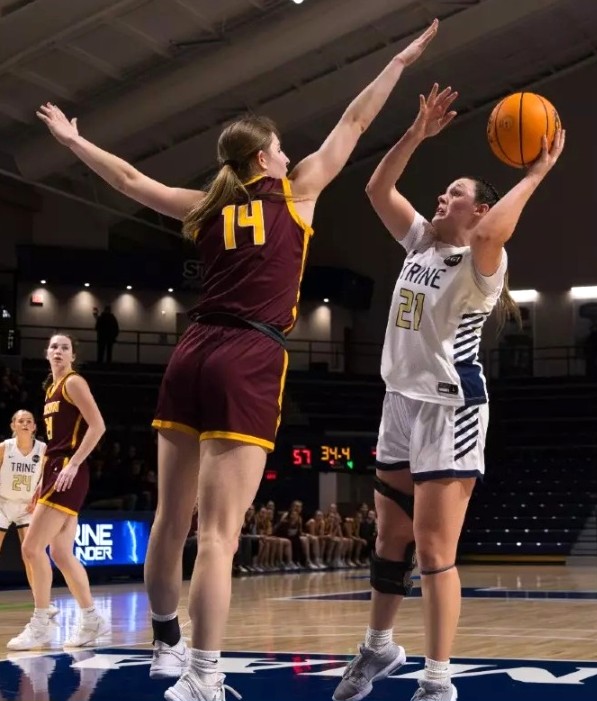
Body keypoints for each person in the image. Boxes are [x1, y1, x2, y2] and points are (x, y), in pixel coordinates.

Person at [36, 19, 442, 701]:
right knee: (220, 535)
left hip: (189, 352)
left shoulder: (204, 206)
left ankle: (166, 645)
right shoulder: (299, 194)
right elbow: (353, 120)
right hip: (248, 353)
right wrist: (397, 62)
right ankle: (203, 674)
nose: (288, 155)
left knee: (171, 519)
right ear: (264, 161)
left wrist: (75, 141)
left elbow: (131, 180)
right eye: (280, 149)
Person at [331, 85, 565, 701]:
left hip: (450, 407)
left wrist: (538, 170)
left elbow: (492, 236)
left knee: (435, 549)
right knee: (388, 541)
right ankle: (378, 648)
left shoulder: (481, 265)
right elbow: (376, 190)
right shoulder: (420, 243)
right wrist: (415, 132)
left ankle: (438, 681)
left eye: (455, 194)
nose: (443, 197)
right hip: (398, 403)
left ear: (478, 211)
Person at [8, 334, 109, 650]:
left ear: (73, 356)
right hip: (54, 470)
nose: (58, 351)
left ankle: (41, 624)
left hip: (68, 470)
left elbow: (98, 426)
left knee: (31, 548)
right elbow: (53, 443)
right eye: (54, 346)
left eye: (65, 347)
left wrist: (74, 465)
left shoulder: (74, 383)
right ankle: (92, 619)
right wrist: (41, 481)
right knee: (62, 553)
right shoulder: (50, 389)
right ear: (46, 353)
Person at [0, 410, 58, 620]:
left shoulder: (43, 450)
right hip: (3, 503)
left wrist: (40, 492)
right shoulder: (5, 448)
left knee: (32, 554)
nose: (25, 424)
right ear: (13, 425)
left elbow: (49, 475)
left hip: (28, 506)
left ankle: (42, 603)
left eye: (29, 421)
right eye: (20, 421)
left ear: (35, 427)